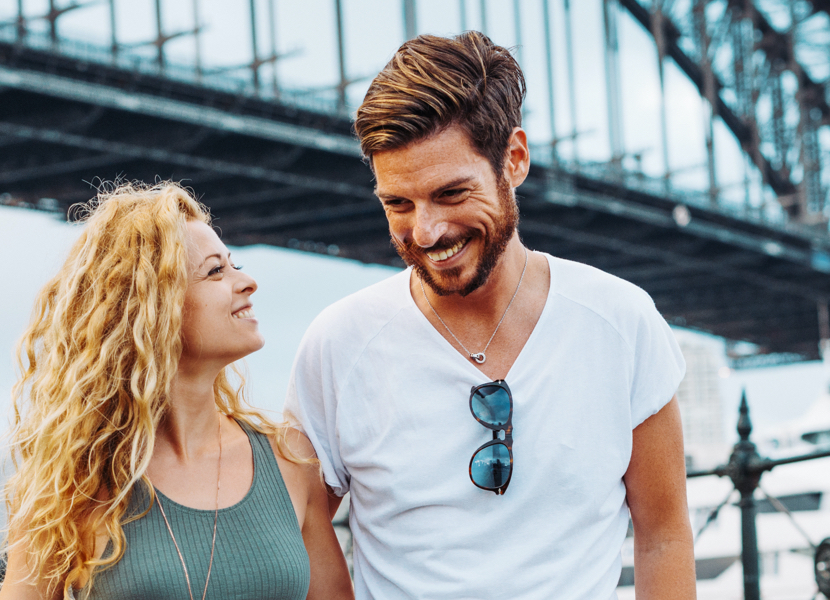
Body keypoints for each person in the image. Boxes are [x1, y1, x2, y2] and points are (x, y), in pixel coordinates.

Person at [284, 32, 696, 599]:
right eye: (398, 204)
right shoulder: (338, 343)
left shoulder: (622, 321)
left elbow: (663, 534)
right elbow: (302, 525)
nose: (426, 232)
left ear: (515, 159)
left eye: (451, 193)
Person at [0, 182, 353, 600]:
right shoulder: (75, 483)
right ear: (152, 306)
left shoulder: (290, 460)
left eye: (234, 264)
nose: (248, 282)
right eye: (216, 271)